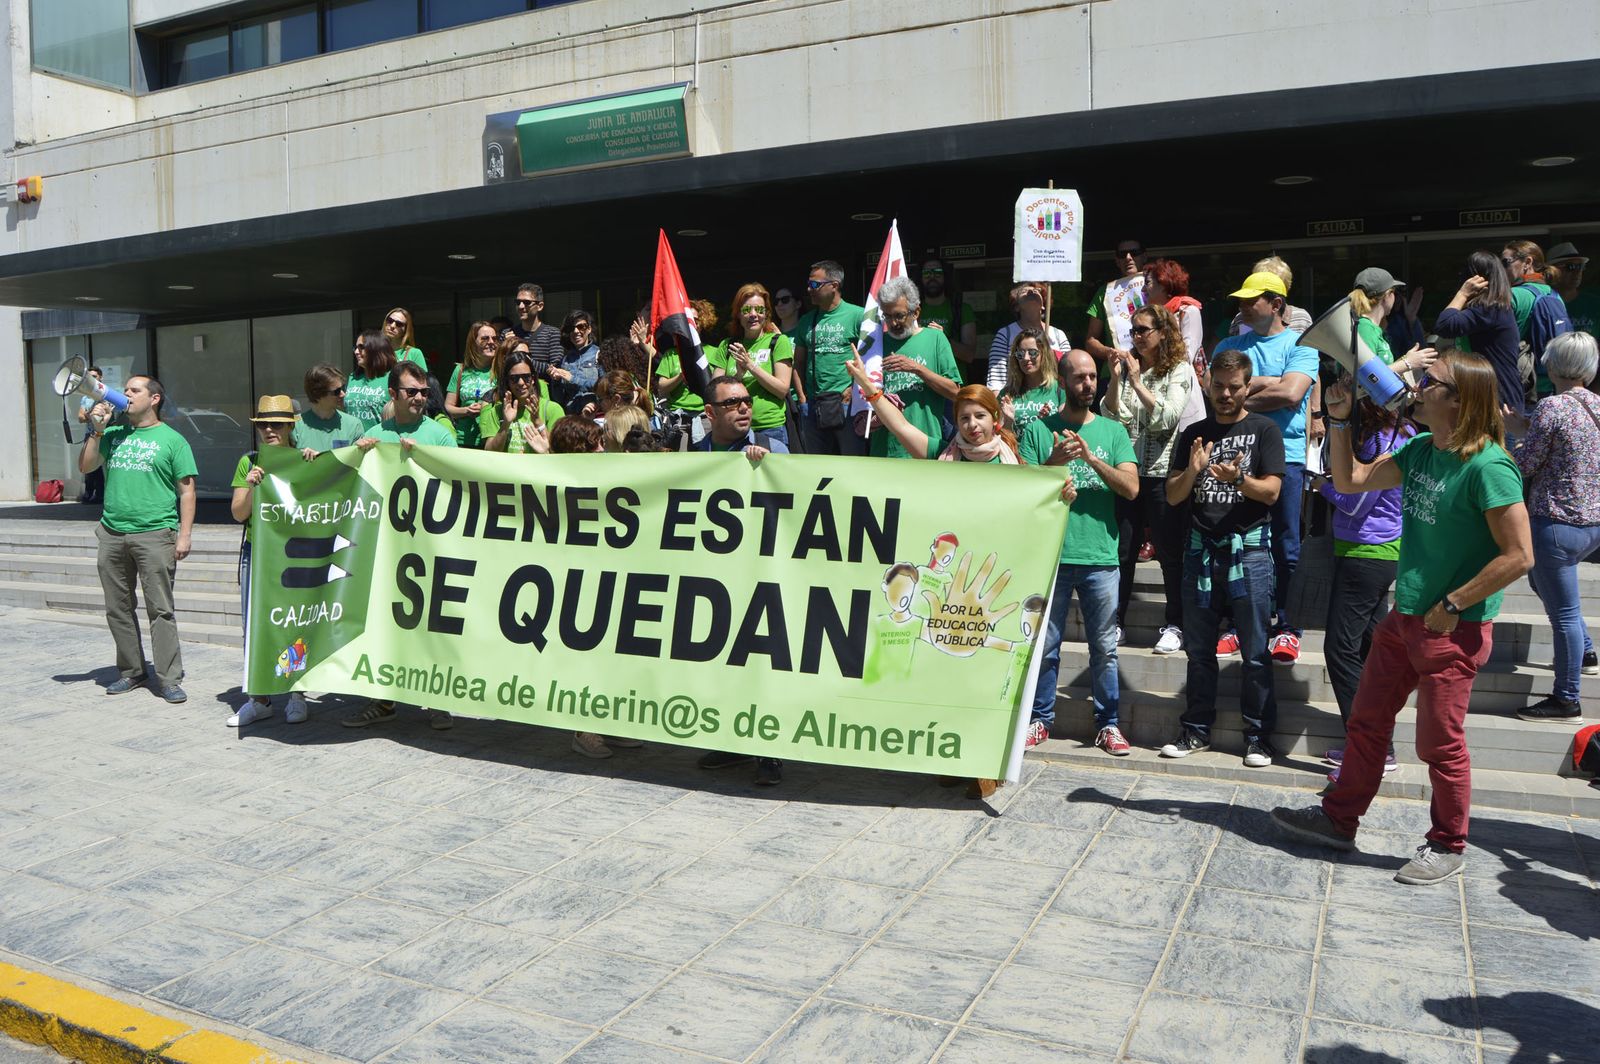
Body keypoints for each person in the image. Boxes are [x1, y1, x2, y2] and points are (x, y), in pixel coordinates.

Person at [1273, 352, 1532, 885]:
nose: (1414, 386)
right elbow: (1350, 481)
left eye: (1427, 381)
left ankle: (1447, 843)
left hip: (1454, 626)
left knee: (1439, 744)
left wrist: (1454, 604)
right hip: (1405, 618)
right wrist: (1338, 420)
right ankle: (1338, 820)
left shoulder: (1489, 467)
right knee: (1366, 723)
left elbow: (1520, 556)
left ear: (1458, 401)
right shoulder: (1420, 449)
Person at [1160, 350, 1285, 768]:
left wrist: (1239, 479)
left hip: (1249, 551)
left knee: (1255, 652)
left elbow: (1272, 493)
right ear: (1208, 384)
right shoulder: (1193, 433)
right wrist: (1193, 470)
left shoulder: (1264, 430)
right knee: (1199, 652)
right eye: (1218, 386)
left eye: (1234, 387)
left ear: (1248, 387)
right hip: (1200, 551)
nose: (1225, 394)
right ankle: (1195, 730)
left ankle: (1258, 738)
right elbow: (1173, 495)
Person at [1033, 351, 1140, 754]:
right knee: (1045, 648)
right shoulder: (1039, 430)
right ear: (1062, 382)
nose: (1088, 384)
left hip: (1100, 558)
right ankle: (1039, 720)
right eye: (1079, 377)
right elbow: (1022, 491)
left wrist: (1091, 459)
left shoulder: (1112, 432)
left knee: (1105, 650)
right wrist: (1053, 463)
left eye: (1093, 376)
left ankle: (1108, 724)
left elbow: (1131, 489)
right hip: (1052, 557)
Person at [1211, 270, 1319, 664]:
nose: (1242, 305)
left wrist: (1245, 391)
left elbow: (1292, 393)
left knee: (1287, 545)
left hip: (1286, 457)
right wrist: (1268, 384)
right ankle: (1239, 625)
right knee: (1237, 542)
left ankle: (1288, 627)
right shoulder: (1229, 344)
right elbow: (1216, 395)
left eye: (1251, 299)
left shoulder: (1302, 344)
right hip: (1237, 455)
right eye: (1241, 299)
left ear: (1276, 304)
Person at [346, 361, 457, 730]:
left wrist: (425, 460)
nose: (420, 398)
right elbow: (353, 486)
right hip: (386, 549)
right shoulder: (374, 435)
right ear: (393, 394)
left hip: (430, 547)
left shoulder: (440, 435)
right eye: (412, 391)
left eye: (424, 392)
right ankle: (384, 700)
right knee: (385, 623)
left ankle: (438, 700)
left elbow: (458, 483)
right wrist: (357, 455)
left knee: (432, 624)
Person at [687, 376, 787, 784]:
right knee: (723, 665)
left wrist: (769, 470)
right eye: (732, 403)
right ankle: (733, 741)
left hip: (759, 579)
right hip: (714, 582)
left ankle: (769, 753)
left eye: (746, 400)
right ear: (709, 413)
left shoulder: (773, 448)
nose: (744, 407)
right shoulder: (693, 453)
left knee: (761, 665)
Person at [80, 375, 197, 704]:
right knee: (117, 608)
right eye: (125, 389)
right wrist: (97, 430)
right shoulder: (113, 433)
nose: (126, 394)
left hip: (156, 534)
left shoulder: (172, 440)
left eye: (135, 390)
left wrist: (184, 535)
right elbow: (86, 466)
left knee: (161, 610)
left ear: (154, 399)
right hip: (112, 533)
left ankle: (169, 678)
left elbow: (187, 492)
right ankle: (132, 671)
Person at [1502, 332, 1600, 721]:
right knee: (1540, 584)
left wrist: (1508, 444)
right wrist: (1527, 427)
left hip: (1555, 523)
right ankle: (1585, 651)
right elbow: (1569, 448)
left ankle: (1566, 699)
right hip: (1591, 525)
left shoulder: (1552, 406)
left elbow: (1526, 465)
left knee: (1564, 615)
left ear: (1552, 364)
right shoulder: (1596, 405)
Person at [1316, 397, 1415, 778]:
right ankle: (1377, 747)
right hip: (1374, 552)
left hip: (1367, 554)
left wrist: (1323, 485)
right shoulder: (1400, 433)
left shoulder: (1383, 439)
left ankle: (1368, 749)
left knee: (1339, 649)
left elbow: (1356, 503)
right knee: (1369, 651)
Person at [1103, 305, 1199, 655]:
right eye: (1134, 331)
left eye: (1143, 329)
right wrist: (1117, 379)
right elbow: (1112, 415)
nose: (1137, 337)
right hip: (1129, 474)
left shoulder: (1179, 369)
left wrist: (1137, 382)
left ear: (1163, 331)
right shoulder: (1132, 368)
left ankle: (1176, 624)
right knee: (1123, 551)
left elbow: (1166, 418)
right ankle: (1115, 622)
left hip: (1162, 475)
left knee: (1169, 553)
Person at [229, 395, 309, 727]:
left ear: (290, 427)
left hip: (293, 553)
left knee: (295, 623)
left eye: (276, 424)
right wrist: (250, 486)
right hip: (258, 552)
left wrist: (313, 467)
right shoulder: (248, 461)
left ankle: (296, 693)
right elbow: (238, 513)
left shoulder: (304, 459)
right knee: (253, 626)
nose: (269, 430)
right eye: (263, 425)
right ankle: (259, 698)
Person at [867, 276, 960, 460]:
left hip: (926, 448)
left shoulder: (935, 339)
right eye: (887, 316)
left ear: (916, 312)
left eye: (899, 315)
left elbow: (955, 392)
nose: (893, 323)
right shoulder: (875, 343)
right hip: (884, 451)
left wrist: (917, 369)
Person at [1434, 251, 1521, 420]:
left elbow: (1444, 325)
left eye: (1465, 274)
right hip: (1489, 398)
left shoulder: (1491, 309)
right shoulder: (1491, 308)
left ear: (1477, 279)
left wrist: (1462, 294)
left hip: (1499, 404)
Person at [794, 259, 868, 456]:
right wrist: (802, 398)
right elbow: (798, 362)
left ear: (834, 285)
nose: (809, 289)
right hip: (813, 405)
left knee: (853, 462)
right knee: (817, 464)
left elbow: (871, 359)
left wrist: (853, 390)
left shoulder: (858, 316)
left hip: (847, 404)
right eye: (809, 284)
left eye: (814, 284)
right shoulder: (806, 320)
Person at [709, 283, 795, 448]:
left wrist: (750, 365)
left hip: (769, 428)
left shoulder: (778, 341)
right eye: (747, 310)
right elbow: (715, 392)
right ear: (738, 314)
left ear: (766, 314)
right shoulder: (727, 346)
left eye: (760, 310)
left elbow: (782, 390)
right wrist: (738, 376)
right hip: (733, 430)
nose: (754, 315)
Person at [1348, 267, 1437, 385]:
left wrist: (1406, 360)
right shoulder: (1365, 328)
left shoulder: (1373, 328)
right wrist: (1407, 363)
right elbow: (1367, 377)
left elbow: (1379, 370)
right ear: (1387, 296)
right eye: (1394, 292)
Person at [1083, 239, 1148, 380]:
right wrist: (1113, 353)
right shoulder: (1105, 292)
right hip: (1115, 373)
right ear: (1117, 261)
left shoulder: (1158, 285)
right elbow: (1091, 340)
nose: (1128, 258)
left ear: (1144, 256)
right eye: (1122, 254)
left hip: (1153, 369)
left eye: (1134, 253)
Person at [987, 285, 1068, 393]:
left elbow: (1069, 372)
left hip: (1053, 398)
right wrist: (1000, 400)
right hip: (1015, 398)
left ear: (1044, 305)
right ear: (1016, 307)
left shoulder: (1058, 335)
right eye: (1024, 291)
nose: (1031, 292)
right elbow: (996, 380)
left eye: (1036, 291)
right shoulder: (1005, 334)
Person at [480, 349, 565, 454]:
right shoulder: (497, 411)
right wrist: (505, 424)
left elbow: (561, 452)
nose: (521, 383)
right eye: (514, 378)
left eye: (526, 377)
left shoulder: (552, 409)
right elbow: (489, 452)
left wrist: (537, 421)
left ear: (533, 379)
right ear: (507, 381)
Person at [918, 257, 980, 383]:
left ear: (945, 277)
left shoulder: (962, 309)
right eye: (927, 273)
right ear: (920, 278)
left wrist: (943, 339)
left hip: (953, 386)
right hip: (920, 385)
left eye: (938, 272)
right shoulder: (911, 311)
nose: (932, 277)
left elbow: (969, 355)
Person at [1142, 258, 1206, 382]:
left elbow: (1186, 356)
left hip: (1181, 384)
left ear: (1163, 284)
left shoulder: (1188, 311)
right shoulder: (1149, 316)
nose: (1143, 290)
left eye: (1147, 283)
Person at [999, 327, 1067, 435]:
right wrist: (1008, 422)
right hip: (1015, 446)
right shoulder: (1006, 394)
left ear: (1044, 354)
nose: (1026, 358)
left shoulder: (1060, 388)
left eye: (1032, 353)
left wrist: (1047, 423)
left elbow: (1068, 428)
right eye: (1020, 354)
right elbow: (996, 436)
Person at [445, 321, 498, 448]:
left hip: (491, 440)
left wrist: (486, 409)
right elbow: (448, 406)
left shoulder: (500, 370)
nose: (491, 342)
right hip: (464, 440)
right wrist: (466, 410)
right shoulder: (460, 370)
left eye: (494, 338)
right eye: (485, 338)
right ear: (473, 343)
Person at [293, 363, 364, 455]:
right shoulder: (295, 426)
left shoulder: (353, 425)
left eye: (343, 388)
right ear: (318, 394)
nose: (343, 394)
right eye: (337, 391)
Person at [345, 331, 397, 431]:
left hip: (379, 438)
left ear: (376, 349)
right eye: (355, 347)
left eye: (361, 347)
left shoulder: (393, 377)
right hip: (353, 440)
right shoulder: (353, 377)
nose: (356, 352)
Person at [512, 282, 563, 381]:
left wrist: (520, 356)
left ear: (540, 306)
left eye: (526, 302)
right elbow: (501, 366)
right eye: (518, 302)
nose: (521, 306)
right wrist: (506, 348)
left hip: (543, 389)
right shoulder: (508, 334)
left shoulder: (552, 334)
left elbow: (555, 369)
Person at [552, 310, 601, 412]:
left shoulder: (599, 354)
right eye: (571, 328)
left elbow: (604, 386)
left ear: (589, 329)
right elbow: (559, 399)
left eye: (581, 327)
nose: (576, 331)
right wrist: (555, 381)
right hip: (572, 416)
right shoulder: (565, 360)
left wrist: (573, 379)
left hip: (594, 414)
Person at [1548, 242, 1600, 337]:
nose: (1577, 272)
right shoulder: (1543, 305)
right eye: (1570, 267)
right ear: (1552, 271)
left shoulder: (1595, 304)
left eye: (1581, 266)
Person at [75, 367, 106, 503]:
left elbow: (101, 416)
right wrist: (90, 415)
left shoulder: (105, 395)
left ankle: (99, 494)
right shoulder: (86, 397)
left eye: (94, 376)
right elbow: (80, 417)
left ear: (100, 378)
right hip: (90, 434)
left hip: (103, 434)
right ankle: (89, 493)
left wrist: (89, 415)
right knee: (88, 465)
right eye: (89, 376)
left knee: (98, 466)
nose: (91, 379)